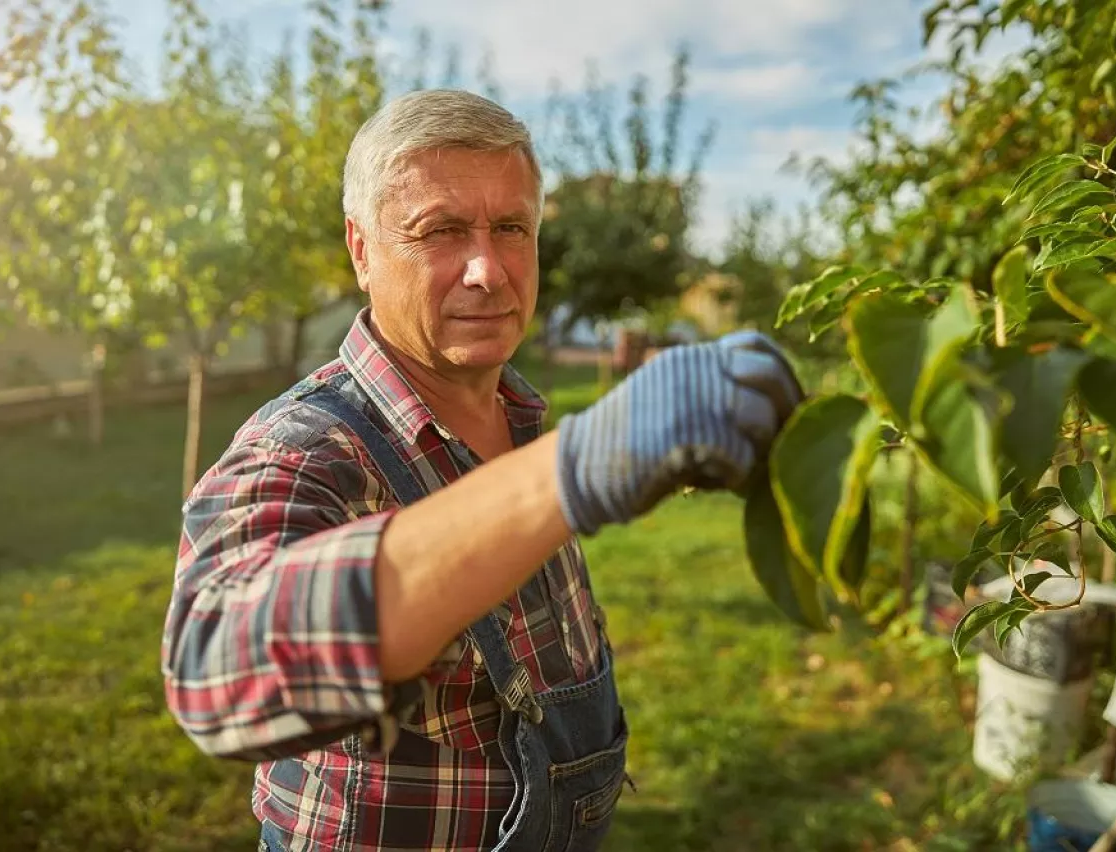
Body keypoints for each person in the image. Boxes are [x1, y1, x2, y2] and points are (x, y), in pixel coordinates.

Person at [161, 88, 804, 852]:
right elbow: (216, 675)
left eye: (511, 228)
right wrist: (570, 471)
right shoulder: (306, 448)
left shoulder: (517, 415)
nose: (488, 270)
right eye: (441, 230)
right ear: (362, 250)